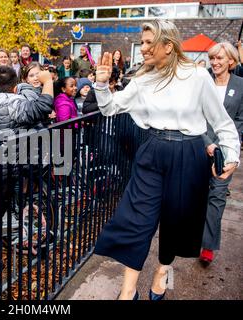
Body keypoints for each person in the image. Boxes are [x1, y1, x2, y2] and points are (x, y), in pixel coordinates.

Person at [91, 20, 240, 300]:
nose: (143, 49)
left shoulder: (197, 77)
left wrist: (231, 155)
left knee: (177, 222)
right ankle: (127, 292)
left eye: (148, 43)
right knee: (136, 219)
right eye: (142, 42)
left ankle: (162, 272)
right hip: (152, 150)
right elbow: (111, 107)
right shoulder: (143, 79)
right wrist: (101, 84)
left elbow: (222, 123)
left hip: (189, 154)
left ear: (168, 46)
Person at [0, 66, 54, 245]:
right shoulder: (13, 102)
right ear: (15, 87)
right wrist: (48, 81)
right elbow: (42, 108)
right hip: (4, 167)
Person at [199, 42, 243, 266]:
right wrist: (207, 142)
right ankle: (191, 235)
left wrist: (228, 147)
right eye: (212, 58)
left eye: (220, 59)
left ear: (231, 62)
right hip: (199, 145)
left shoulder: (241, 85)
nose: (215, 62)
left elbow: (240, 121)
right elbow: (194, 115)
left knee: (216, 197)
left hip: (225, 152)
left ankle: (207, 245)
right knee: (196, 195)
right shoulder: (202, 80)